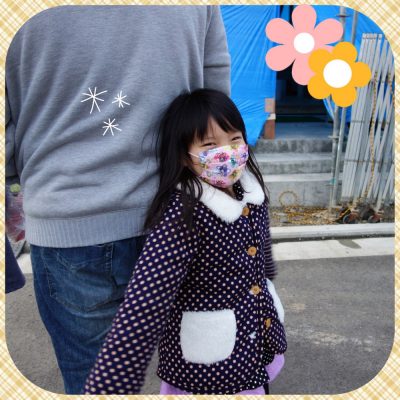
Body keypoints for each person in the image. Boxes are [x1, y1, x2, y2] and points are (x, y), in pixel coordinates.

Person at [5, 6, 230, 394]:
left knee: (96, 382)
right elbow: (215, 97)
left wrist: (16, 174)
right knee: (204, 362)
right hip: (180, 212)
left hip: (69, 217)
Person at [84, 89, 287, 395]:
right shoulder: (183, 213)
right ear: (184, 154)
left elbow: (261, 246)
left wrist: (267, 275)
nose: (227, 151)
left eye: (234, 139)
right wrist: (112, 383)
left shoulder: (251, 191)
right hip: (208, 364)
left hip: (256, 340)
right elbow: (146, 300)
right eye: (210, 145)